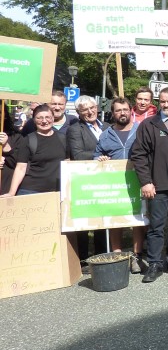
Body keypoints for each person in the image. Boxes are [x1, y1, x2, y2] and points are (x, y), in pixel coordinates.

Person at [130, 87, 168, 283]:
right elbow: (138, 155)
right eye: (162, 101)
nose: (165, 105)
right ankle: (155, 263)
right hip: (158, 184)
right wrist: (146, 182)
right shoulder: (150, 124)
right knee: (156, 226)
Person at [93, 98, 139, 259]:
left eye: (125, 109)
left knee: (138, 218)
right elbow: (96, 156)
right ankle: (117, 254)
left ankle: (137, 255)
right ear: (113, 113)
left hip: (137, 180)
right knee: (115, 219)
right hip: (114, 183)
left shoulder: (141, 130)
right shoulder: (106, 135)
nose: (122, 113)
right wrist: (100, 160)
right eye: (118, 110)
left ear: (130, 111)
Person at [67, 95, 108, 267]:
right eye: (85, 110)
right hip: (85, 179)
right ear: (78, 112)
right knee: (85, 221)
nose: (90, 112)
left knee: (102, 218)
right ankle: (83, 259)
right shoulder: (75, 129)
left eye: (92, 108)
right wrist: (99, 156)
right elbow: (77, 154)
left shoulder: (106, 126)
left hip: (105, 179)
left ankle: (102, 255)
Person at [2, 104, 67, 197]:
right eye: (39, 118)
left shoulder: (63, 138)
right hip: (31, 191)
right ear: (33, 120)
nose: (44, 121)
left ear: (53, 118)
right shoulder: (28, 140)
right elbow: (21, 167)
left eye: (47, 117)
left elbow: (68, 163)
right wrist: (11, 193)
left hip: (57, 191)